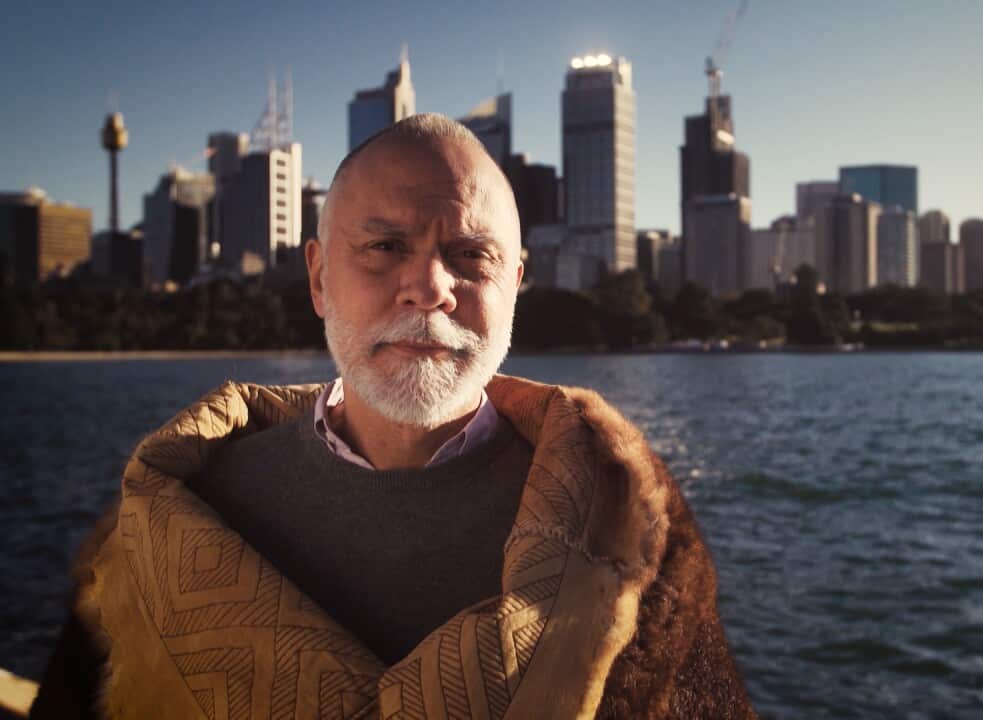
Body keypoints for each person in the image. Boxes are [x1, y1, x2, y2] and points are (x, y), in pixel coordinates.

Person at [29, 114, 754, 719]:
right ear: (317, 277)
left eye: (471, 255)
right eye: (384, 247)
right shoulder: (173, 512)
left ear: (515, 286)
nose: (429, 288)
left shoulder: (631, 518)